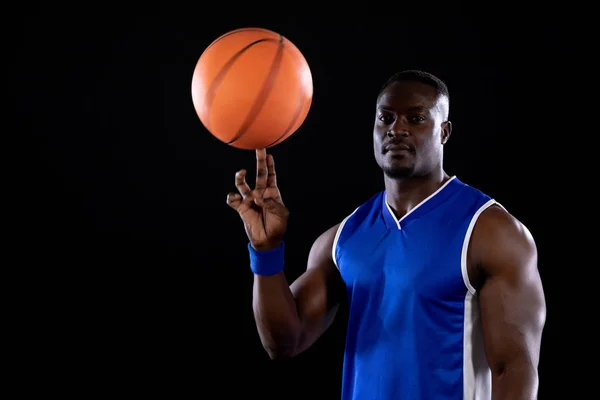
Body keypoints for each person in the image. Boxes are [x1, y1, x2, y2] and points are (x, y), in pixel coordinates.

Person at [226, 70, 546, 400]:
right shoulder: (343, 238)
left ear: (444, 132)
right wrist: (266, 250)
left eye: (417, 118)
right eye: (386, 118)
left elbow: (515, 368)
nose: (397, 129)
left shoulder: (489, 231)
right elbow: (283, 343)